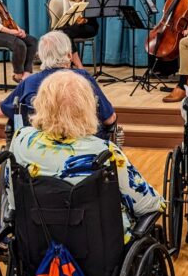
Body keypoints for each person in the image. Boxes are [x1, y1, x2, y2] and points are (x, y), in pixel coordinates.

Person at [10, 69, 163, 236]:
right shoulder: (104, 152)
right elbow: (149, 205)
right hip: (98, 249)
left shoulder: (20, 140)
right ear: (88, 107)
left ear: (40, 104)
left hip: (36, 242)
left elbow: (13, 201)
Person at [0, 30, 116, 134]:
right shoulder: (83, 78)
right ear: (69, 55)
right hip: (81, 150)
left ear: (41, 56)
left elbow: (1, 111)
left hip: (39, 150)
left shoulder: (29, 81)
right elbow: (109, 119)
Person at [57, 0, 99, 68]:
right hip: (74, 24)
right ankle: (75, 66)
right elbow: (66, 13)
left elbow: (97, 8)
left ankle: (72, 66)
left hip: (90, 24)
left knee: (62, 34)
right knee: (61, 33)